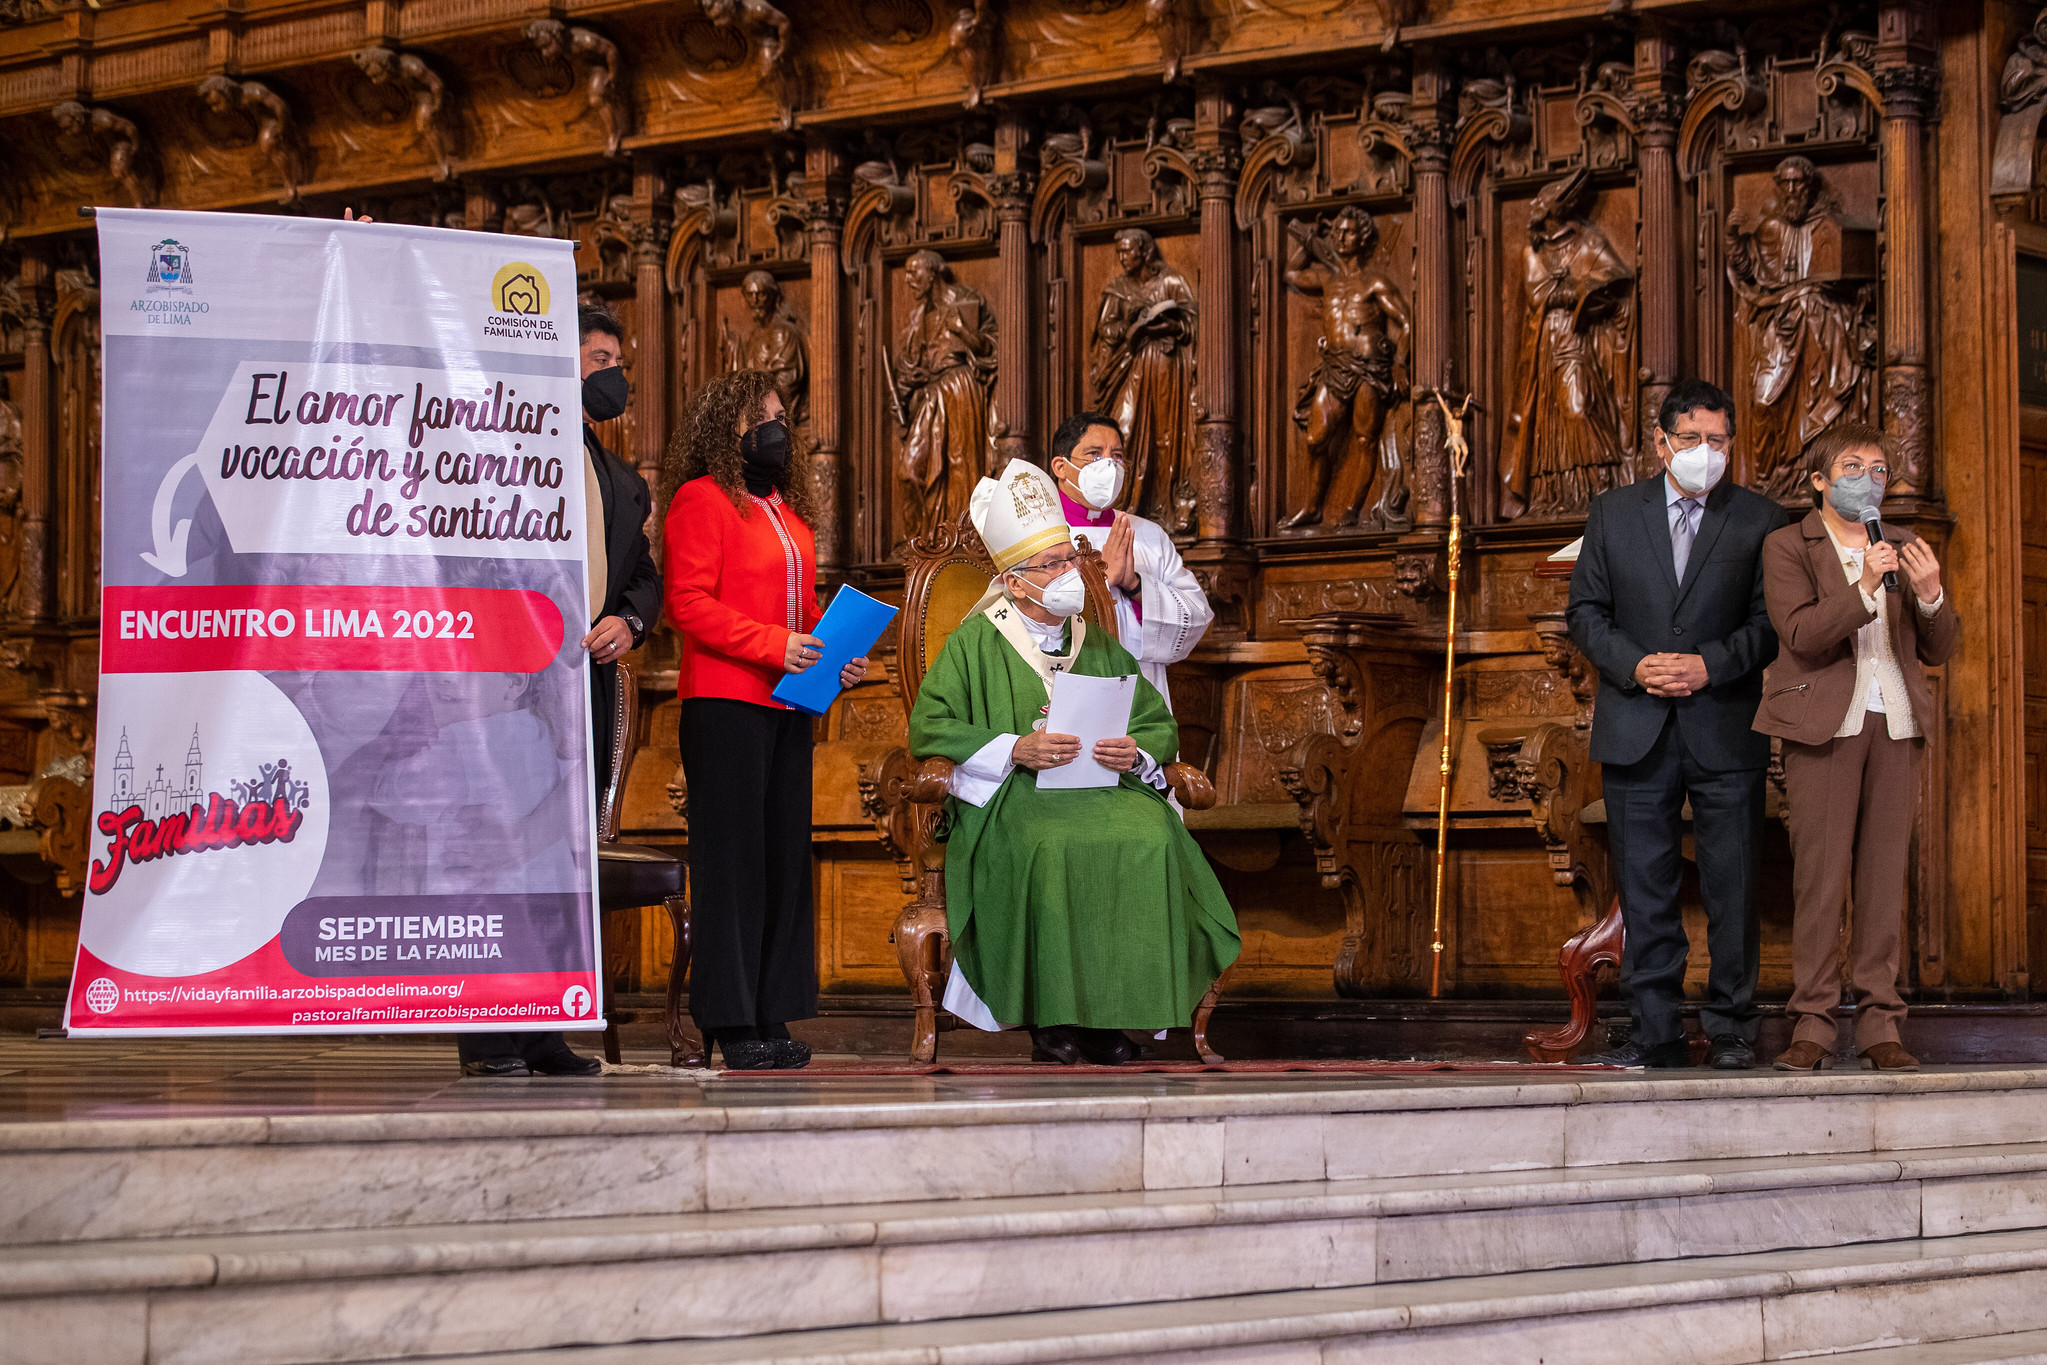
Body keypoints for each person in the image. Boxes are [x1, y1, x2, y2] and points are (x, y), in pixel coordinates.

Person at [907, 458, 1240, 1066]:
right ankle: (1051, 1018)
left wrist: (1135, 751)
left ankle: (1110, 1016)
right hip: (1013, 795)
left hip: (1103, 787)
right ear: (1014, 583)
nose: (1071, 574)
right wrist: (1015, 747)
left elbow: (1154, 722)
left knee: (1152, 834)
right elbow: (930, 725)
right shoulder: (974, 643)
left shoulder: (1097, 642)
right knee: (1048, 842)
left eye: (1070, 561)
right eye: (1053, 565)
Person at [459, 303, 663, 1079]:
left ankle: (543, 1027)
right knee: (504, 850)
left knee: (561, 852)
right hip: (510, 679)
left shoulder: (619, 479)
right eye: (599, 358)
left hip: (586, 678)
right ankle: (488, 1032)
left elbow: (644, 576)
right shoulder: (501, 453)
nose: (613, 374)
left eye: (617, 361)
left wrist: (629, 622)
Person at [1567, 377, 1788, 1070]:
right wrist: (1636, 666)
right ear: (1660, 443)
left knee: (1732, 885)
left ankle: (1731, 1028)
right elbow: (1585, 613)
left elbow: (1770, 624)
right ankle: (1655, 1030)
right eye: (1690, 438)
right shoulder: (1612, 512)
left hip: (1724, 724)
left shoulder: (1761, 518)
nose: (1704, 451)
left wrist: (1708, 665)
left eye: (1717, 440)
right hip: (1636, 725)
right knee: (1646, 888)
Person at [663, 370, 866, 1070]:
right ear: (728, 427)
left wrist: (834, 653)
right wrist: (774, 645)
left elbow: (801, 606)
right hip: (724, 703)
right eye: (762, 416)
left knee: (781, 860)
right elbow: (687, 602)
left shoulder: (786, 509)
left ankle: (771, 1011)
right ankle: (729, 1017)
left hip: (787, 704)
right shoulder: (700, 498)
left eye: (781, 415)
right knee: (732, 867)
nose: (776, 428)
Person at [1756, 422, 1958, 1072]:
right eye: (1852, 467)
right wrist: (1865, 585)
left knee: (1881, 878)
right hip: (1825, 723)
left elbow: (1939, 648)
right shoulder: (1788, 544)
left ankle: (1879, 1025)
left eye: (1877, 470)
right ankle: (1813, 1025)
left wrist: (1930, 595)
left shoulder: (1901, 544)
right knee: (1820, 879)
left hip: (1894, 720)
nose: (1867, 479)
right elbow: (1800, 633)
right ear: (1819, 479)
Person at [1046, 411, 1213, 711]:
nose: (1109, 465)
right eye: (1095, 455)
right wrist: (1103, 580)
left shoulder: (1148, 535)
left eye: (1117, 456)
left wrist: (1135, 586)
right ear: (1061, 466)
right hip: (1066, 684)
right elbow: (1030, 614)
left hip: (1141, 687)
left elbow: (1197, 617)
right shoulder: (1039, 535)